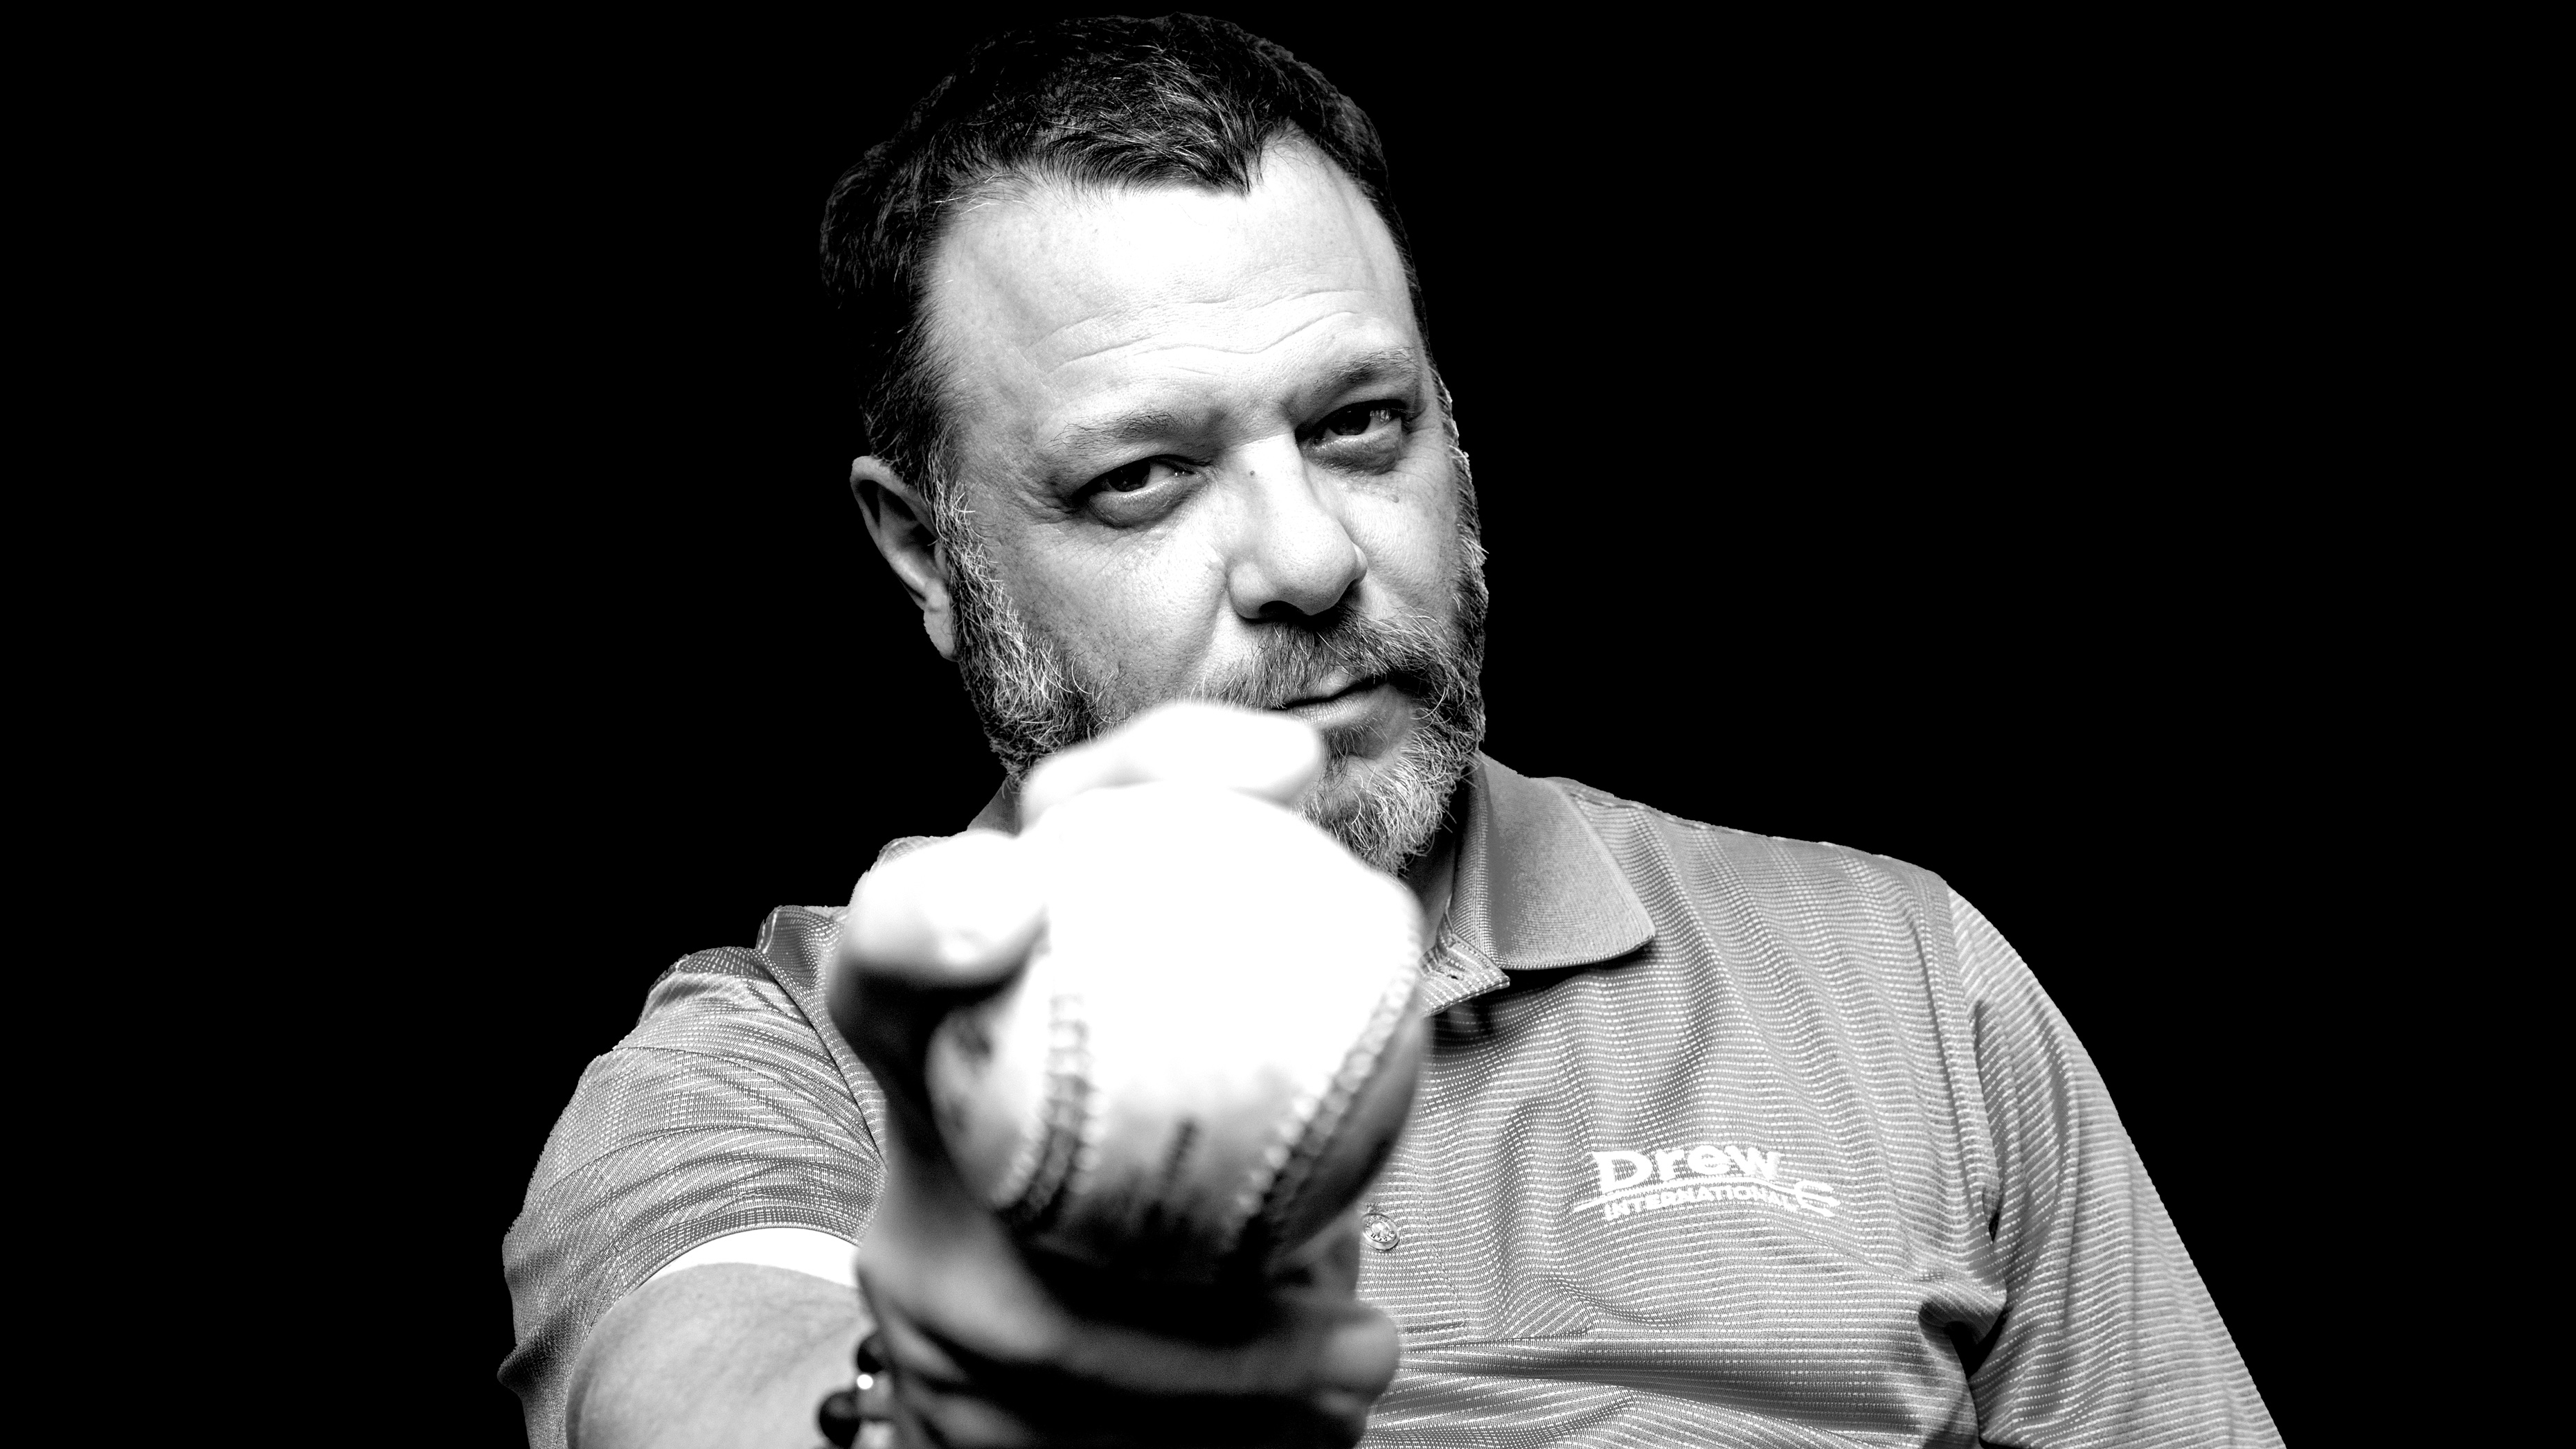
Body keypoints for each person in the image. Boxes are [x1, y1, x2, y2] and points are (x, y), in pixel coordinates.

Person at [503, 15, 2278, 1447]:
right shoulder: (786, 1053)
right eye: (1145, 475)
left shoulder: (1898, 976)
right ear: (929, 555)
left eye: (1359, 426)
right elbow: (704, 1364)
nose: (1305, 557)